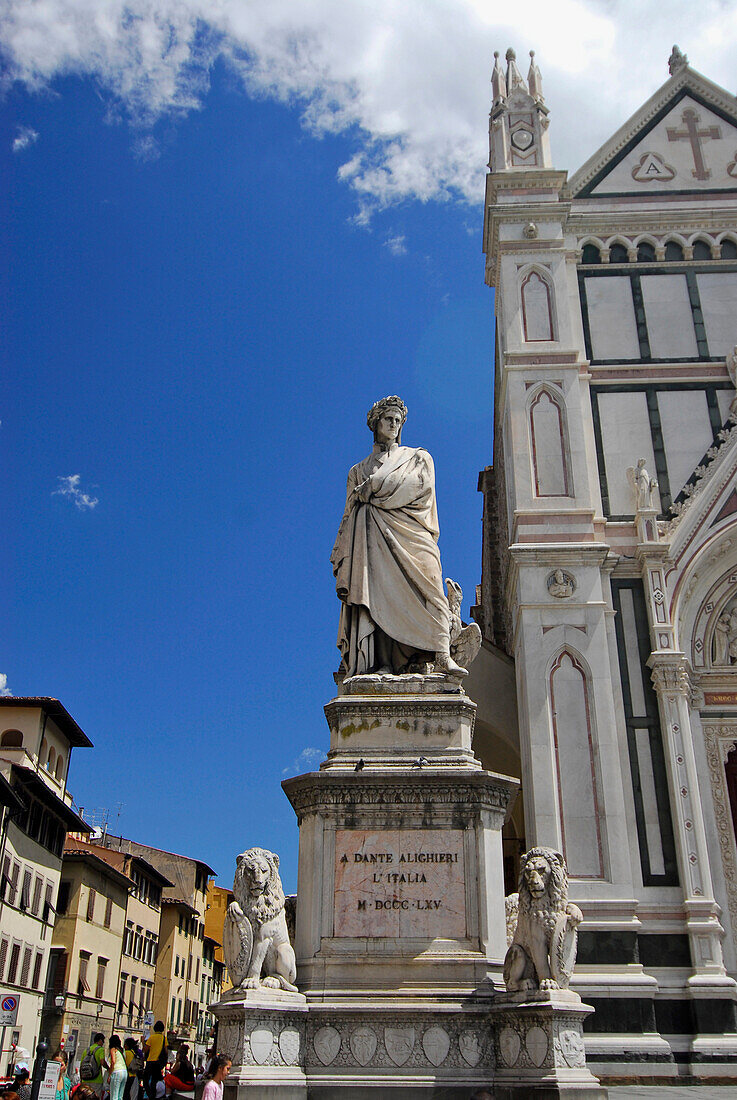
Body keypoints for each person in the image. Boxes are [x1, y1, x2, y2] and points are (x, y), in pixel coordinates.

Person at [331, 396, 464, 678]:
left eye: (397, 420)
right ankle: (382, 663)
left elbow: (420, 487)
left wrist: (375, 487)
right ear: (376, 424)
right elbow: (349, 512)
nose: (393, 424)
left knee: (431, 584)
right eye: (388, 419)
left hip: (414, 534)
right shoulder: (357, 471)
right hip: (371, 539)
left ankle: (441, 653)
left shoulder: (417, 457)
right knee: (375, 592)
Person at [142, 1024, 166, 1100]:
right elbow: (166, 1051)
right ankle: (154, 1096)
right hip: (158, 1063)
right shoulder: (164, 1038)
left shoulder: (151, 1038)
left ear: (155, 1029)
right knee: (154, 1081)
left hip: (150, 1061)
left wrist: (143, 1042)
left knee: (145, 1081)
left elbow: (145, 1050)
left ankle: (150, 1095)